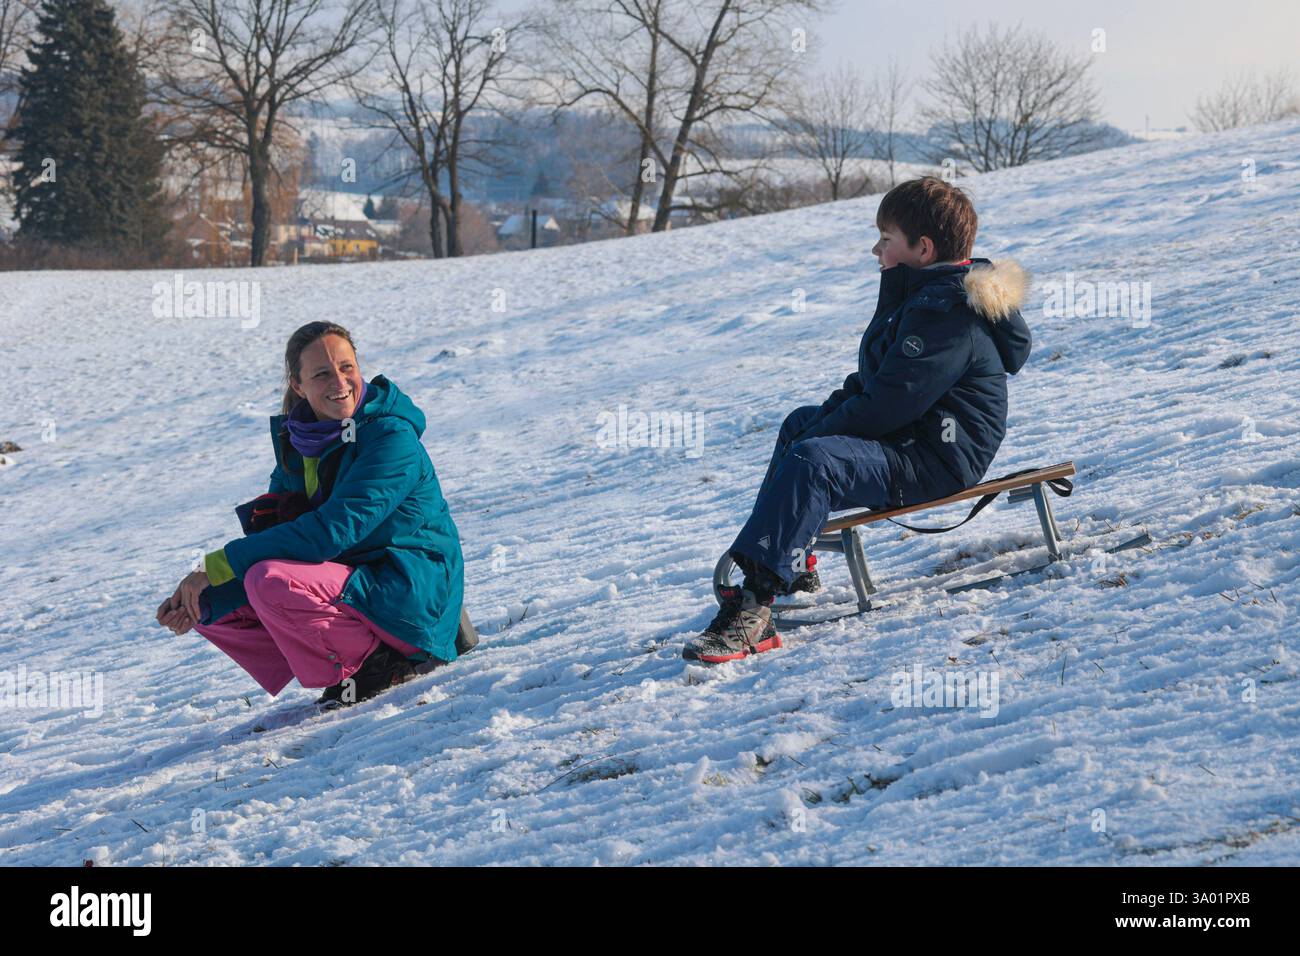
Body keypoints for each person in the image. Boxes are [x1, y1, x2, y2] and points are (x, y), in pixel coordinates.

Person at [684, 177, 1033, 664]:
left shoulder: (946, 314)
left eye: (886, 239)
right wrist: (818, 422)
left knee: (814, 459)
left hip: (937, 457)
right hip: (912, 440)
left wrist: (819, 438)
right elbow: (875, 382)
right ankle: (794, 562)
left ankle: (755, 608)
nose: (876, 249)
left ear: (922, 248)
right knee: (798, 427)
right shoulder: (924, 294)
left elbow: (887, 404)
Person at [156, 321, 466, 705]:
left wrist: (216, 565)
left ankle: (380, 664)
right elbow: (278, 537)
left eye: (347, 367)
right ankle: (356, 658)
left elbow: (330, 532)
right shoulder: (299, 443)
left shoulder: (389, 437)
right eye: (322, 373)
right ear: (298, 386)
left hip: (411, 591)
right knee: (213, 598)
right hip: (354, 585)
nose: (339, 381)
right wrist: (205, 599)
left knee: (266, 579)